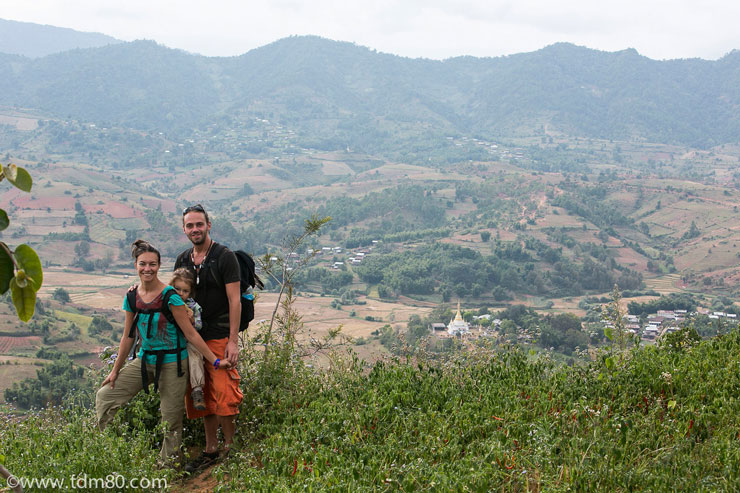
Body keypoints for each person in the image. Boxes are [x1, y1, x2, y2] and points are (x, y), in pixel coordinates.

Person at [95, 240, 230, 463]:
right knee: (105, 396)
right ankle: (108, 452)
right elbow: (128, 336)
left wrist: (215, 362)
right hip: (144, 359)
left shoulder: (170, 296)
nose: (147, 268)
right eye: (142, 264)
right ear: (135, 265)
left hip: (173, 363)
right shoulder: (131, 297)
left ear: (159, 266)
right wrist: (115, 371)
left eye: (152, 264)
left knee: (170, 419)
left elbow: (191, 334)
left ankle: (168, 467)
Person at [175, 204, 243, 472]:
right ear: (184, 229)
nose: (195, 229)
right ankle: (210, 449)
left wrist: (233, 340)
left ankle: (230, 448)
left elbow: (234, 300)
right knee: (200, 394)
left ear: (208, 225)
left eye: (199, 224)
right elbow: (171, 294)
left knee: (225, 391)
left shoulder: (224, 257)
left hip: (219, 335)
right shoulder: (183, 260)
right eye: (190, 225)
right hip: (192, 339)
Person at [169, 267, 207, 411]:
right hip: (170, 340)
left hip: (187, 341)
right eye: (177, 289)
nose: (180, 294)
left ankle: (197, 390)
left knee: (195, 356)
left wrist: (191, 321)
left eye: (185, 291)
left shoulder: (193, 307)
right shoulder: (166, 301)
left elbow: (198, 327)